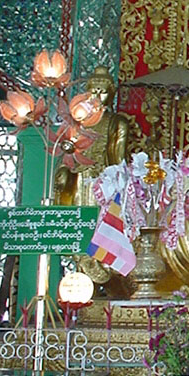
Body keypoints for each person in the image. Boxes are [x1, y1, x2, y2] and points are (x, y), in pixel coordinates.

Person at [56, 66, 130, 285]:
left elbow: (118, 158)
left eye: (103, 91)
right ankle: (81, 268)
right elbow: (65, 155)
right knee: (80, 223)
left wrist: (118, 186)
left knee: (102, 225)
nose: (97, 96)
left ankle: (101, 271)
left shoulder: (117, 122)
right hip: (79, 179)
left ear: (112, 94)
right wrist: (62, 172)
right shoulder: (76, 123)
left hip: (103, 180)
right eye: (93, 91)